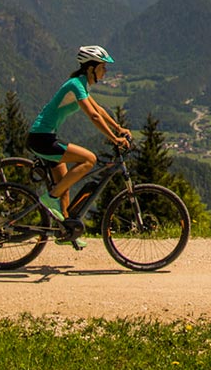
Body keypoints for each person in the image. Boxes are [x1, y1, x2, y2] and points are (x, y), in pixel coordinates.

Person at [26, 45, 133, 242]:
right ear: (91, 68)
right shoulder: (75, 85)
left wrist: (118, 128)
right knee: (89, 159)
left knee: (64, 185)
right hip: (41, 138)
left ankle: (66, 232)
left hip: (46, 137)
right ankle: (50, 199)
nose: (105, 71)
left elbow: (98, 109)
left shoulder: (81, 85)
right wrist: (114, 139)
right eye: (103, 67)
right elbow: (92, 115)